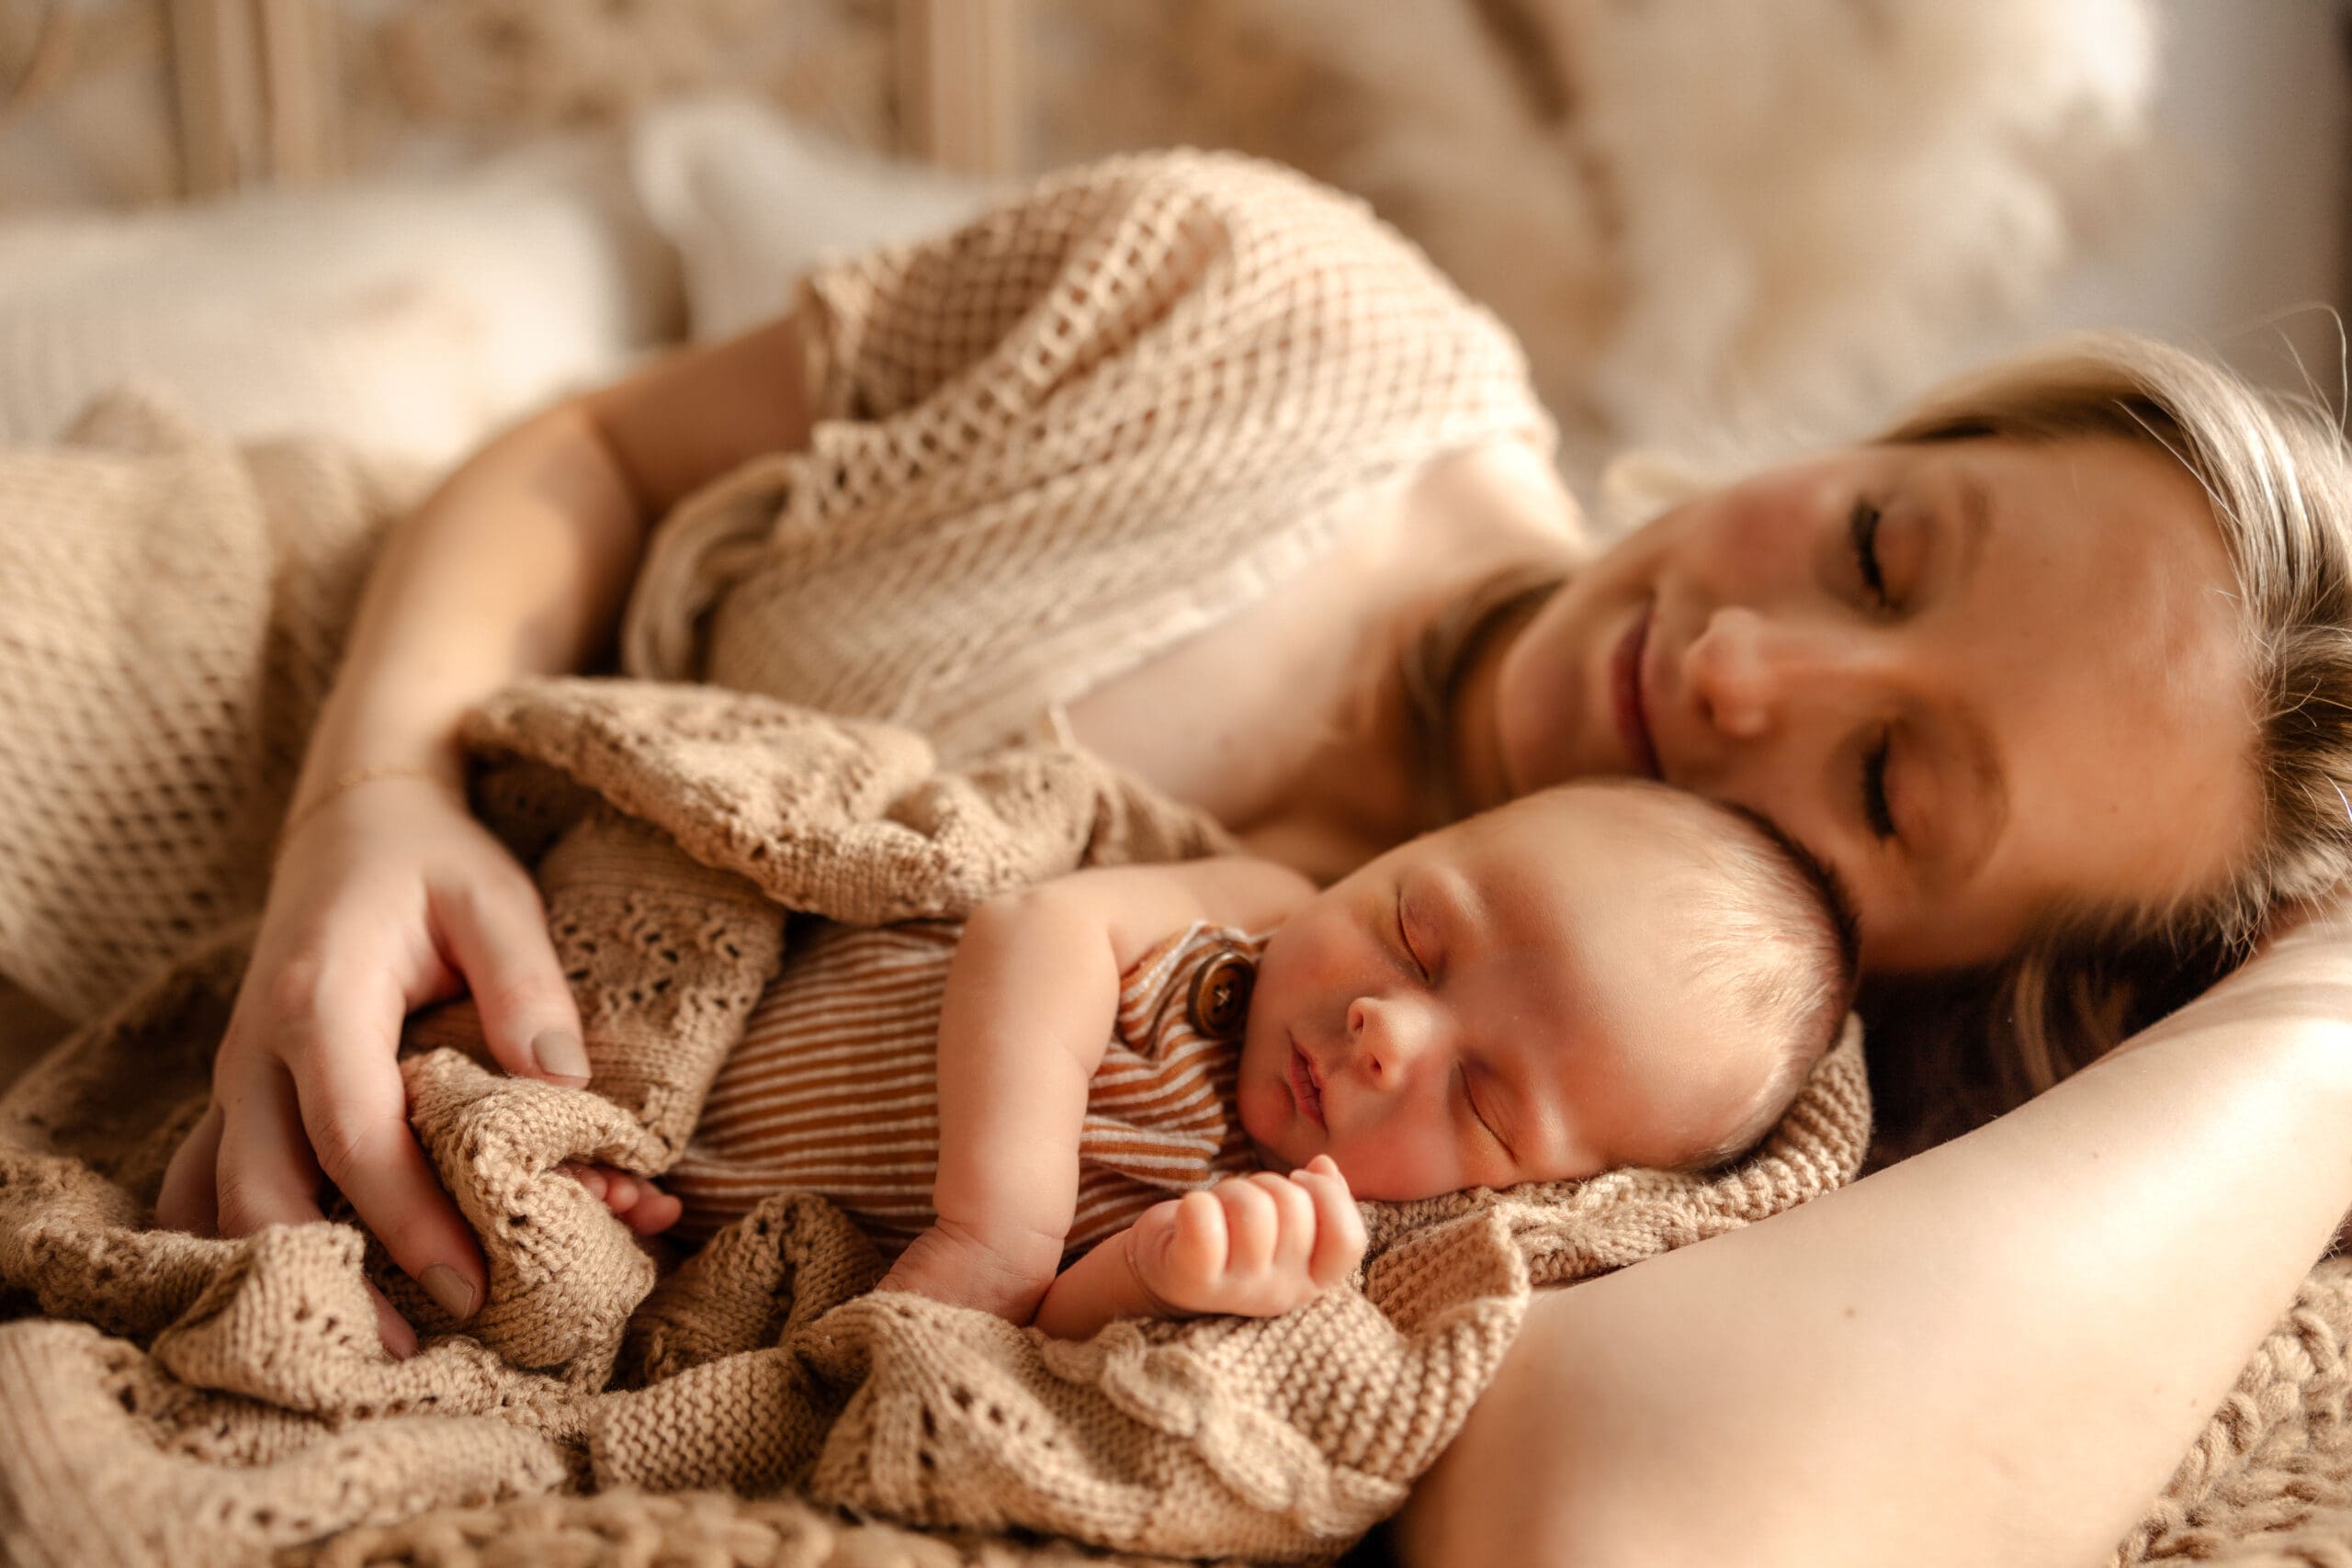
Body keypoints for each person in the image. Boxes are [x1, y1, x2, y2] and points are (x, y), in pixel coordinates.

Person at [147, 151, 2352, 1561]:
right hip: (259, 710)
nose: (1747, 666)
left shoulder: (1666, 1133)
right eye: (1881, 541)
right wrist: (380, 793)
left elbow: (1645, 1530)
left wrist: (2318, 1007)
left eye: (1892, 789)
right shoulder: (1250, 306)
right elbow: (599, 439)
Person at [568, 780, 1850, 1338]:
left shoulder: (1307, 1239)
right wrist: (1001, 1230)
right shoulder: (1252, 905)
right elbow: (1037, 928)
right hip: (705, 998)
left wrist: (1145, 1274)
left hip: (688, 1218)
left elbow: (1035, 1331)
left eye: (1482, 1099)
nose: (1389, 1032)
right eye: (1416, 929)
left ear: (1535, 1195)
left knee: (556, 1267)